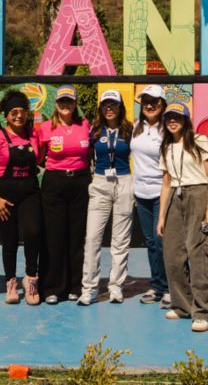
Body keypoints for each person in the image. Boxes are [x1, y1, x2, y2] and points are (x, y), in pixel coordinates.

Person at [157, 101, 208, 332]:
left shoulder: (199, 141)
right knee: (172, 254)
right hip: (175, 196)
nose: (173, 121)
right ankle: (183, 306)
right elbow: (165, 183)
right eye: (169, 118)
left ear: (185, 120)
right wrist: (161, 216)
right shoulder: (166, 146)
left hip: (199, 193)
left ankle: (205, 311)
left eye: (177, 117)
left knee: (200, 251)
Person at [0, 90, 42, 305]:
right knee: (9, 240)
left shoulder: (33, 134)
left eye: (22, 111)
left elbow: (42, 157)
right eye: (13, 112)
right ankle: (11, 282)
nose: (18, 115)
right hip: (4, 195)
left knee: (33, 233)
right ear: (6, 115)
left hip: (29, 192)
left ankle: (31, 280)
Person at [36, 85, 92, 304]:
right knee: (54, 235)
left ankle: (75, 286)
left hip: (79, 181)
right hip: (54, 182)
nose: (66, 105)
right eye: (62, 102)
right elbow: (40, 157)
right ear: (56, 104)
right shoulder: (46, 128)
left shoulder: (85, 125)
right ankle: (52, 287)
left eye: (70, 101)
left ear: (76, 104)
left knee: (76, 236)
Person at [78, 89, 133, 306]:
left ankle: (116, 286)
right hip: (100, 182)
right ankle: (90, 288)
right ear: (101, 108)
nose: (109, 109)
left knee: (120, 240)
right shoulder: (94, 131)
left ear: (120, 107)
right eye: (105, 105)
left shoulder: (130, 130)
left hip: (124, 182)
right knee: (92, 238)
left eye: (113, 105)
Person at [130, 85, 170, 308]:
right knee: (151, 243)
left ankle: (170, 288)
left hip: (161, 193)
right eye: (146, 101)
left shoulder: (167, 129)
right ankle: (156, 286)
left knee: (162, 241)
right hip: (141, 193)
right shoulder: (136, 127)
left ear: (162, 104)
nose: (150, 105)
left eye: (154, 101)